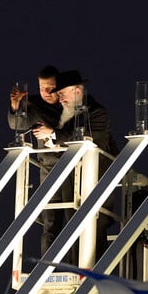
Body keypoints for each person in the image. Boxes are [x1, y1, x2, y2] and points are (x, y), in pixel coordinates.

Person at [50, 69, 119, 259]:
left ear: (77, 91)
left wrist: (54, 136)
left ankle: (91, 279)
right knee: (73, 229)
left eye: (62, 94)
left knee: (94, 231)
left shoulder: (97, 113)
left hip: (95, 183)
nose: (60, 99)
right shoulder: (67, 115)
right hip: (72, 183)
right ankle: (77, 273)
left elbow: (84, 137)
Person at [7, 66, 69, 259]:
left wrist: (53, 133)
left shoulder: (73, 104)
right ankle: (48, 270)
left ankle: (77, 268)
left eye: (50, 88)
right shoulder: (34, 105)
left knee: (76, 221)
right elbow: (17, 124)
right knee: (51, 224)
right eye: (42, 88)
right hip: (50, 170)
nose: (46, 93)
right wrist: (16, 106)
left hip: (76, 169)